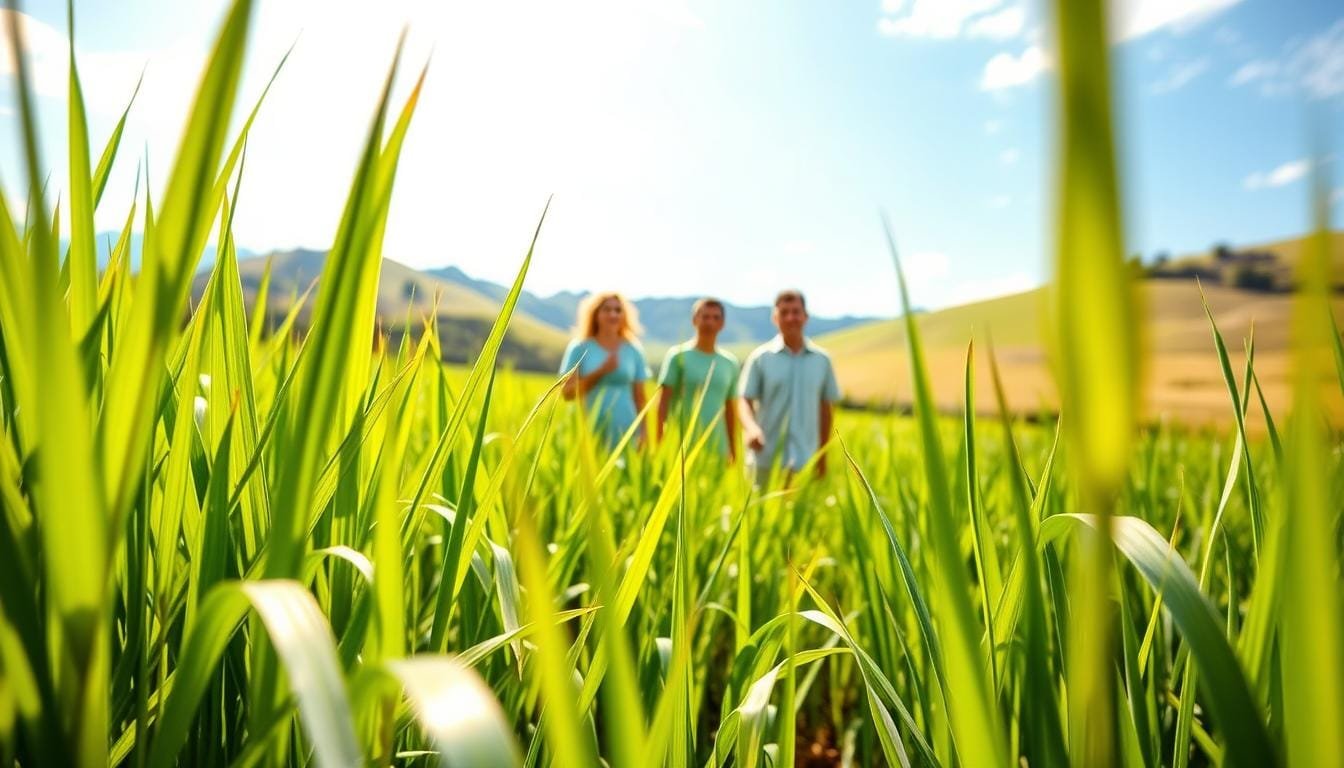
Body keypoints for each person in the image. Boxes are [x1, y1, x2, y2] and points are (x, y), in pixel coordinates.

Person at [738, 290, 840, 486]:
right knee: (760, 515)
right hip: (765, 460)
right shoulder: (760, 358)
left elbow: (826, 410)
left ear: (806, 316)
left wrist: (822, 456)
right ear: (775, 318)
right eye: (784, 312)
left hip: (805, 461)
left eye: (796, 312)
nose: (791, 317)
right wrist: (751, 428)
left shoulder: (822, 361)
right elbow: (744, 399)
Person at [559, 292, 650, 449]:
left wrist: (644, 431)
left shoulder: (633, 349)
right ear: (595, 314)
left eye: (618, 310)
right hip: (589, 430)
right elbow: (567, 393)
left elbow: (640, 397)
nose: (613, 314)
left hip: (626, 430)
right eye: (606, 309)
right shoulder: (579, 347)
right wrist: (600, 372)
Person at [656, 298, 740, 460]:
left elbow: (730, 409)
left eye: (716, 318)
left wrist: (734, 451)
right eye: (705, 316)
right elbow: (662, 405)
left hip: (718, 449)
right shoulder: (677, 356)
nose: (709, 322)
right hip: (680, 448)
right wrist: (660, 446)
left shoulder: (729, 363)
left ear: (722, 323)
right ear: (694, 319)